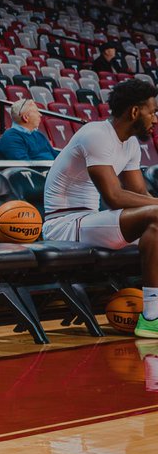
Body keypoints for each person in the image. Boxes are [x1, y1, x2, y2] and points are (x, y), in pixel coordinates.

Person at [41, 79, 158, 336]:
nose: (155, 119)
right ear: (135, 112)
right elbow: (114, 197)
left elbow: (140, 193)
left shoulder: (130, 144)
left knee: (155, 223)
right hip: (64, 225)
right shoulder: (95, 134)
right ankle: (152, 316)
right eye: (153, 111)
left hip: (90, 221)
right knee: (155, 216)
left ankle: (152, 314)